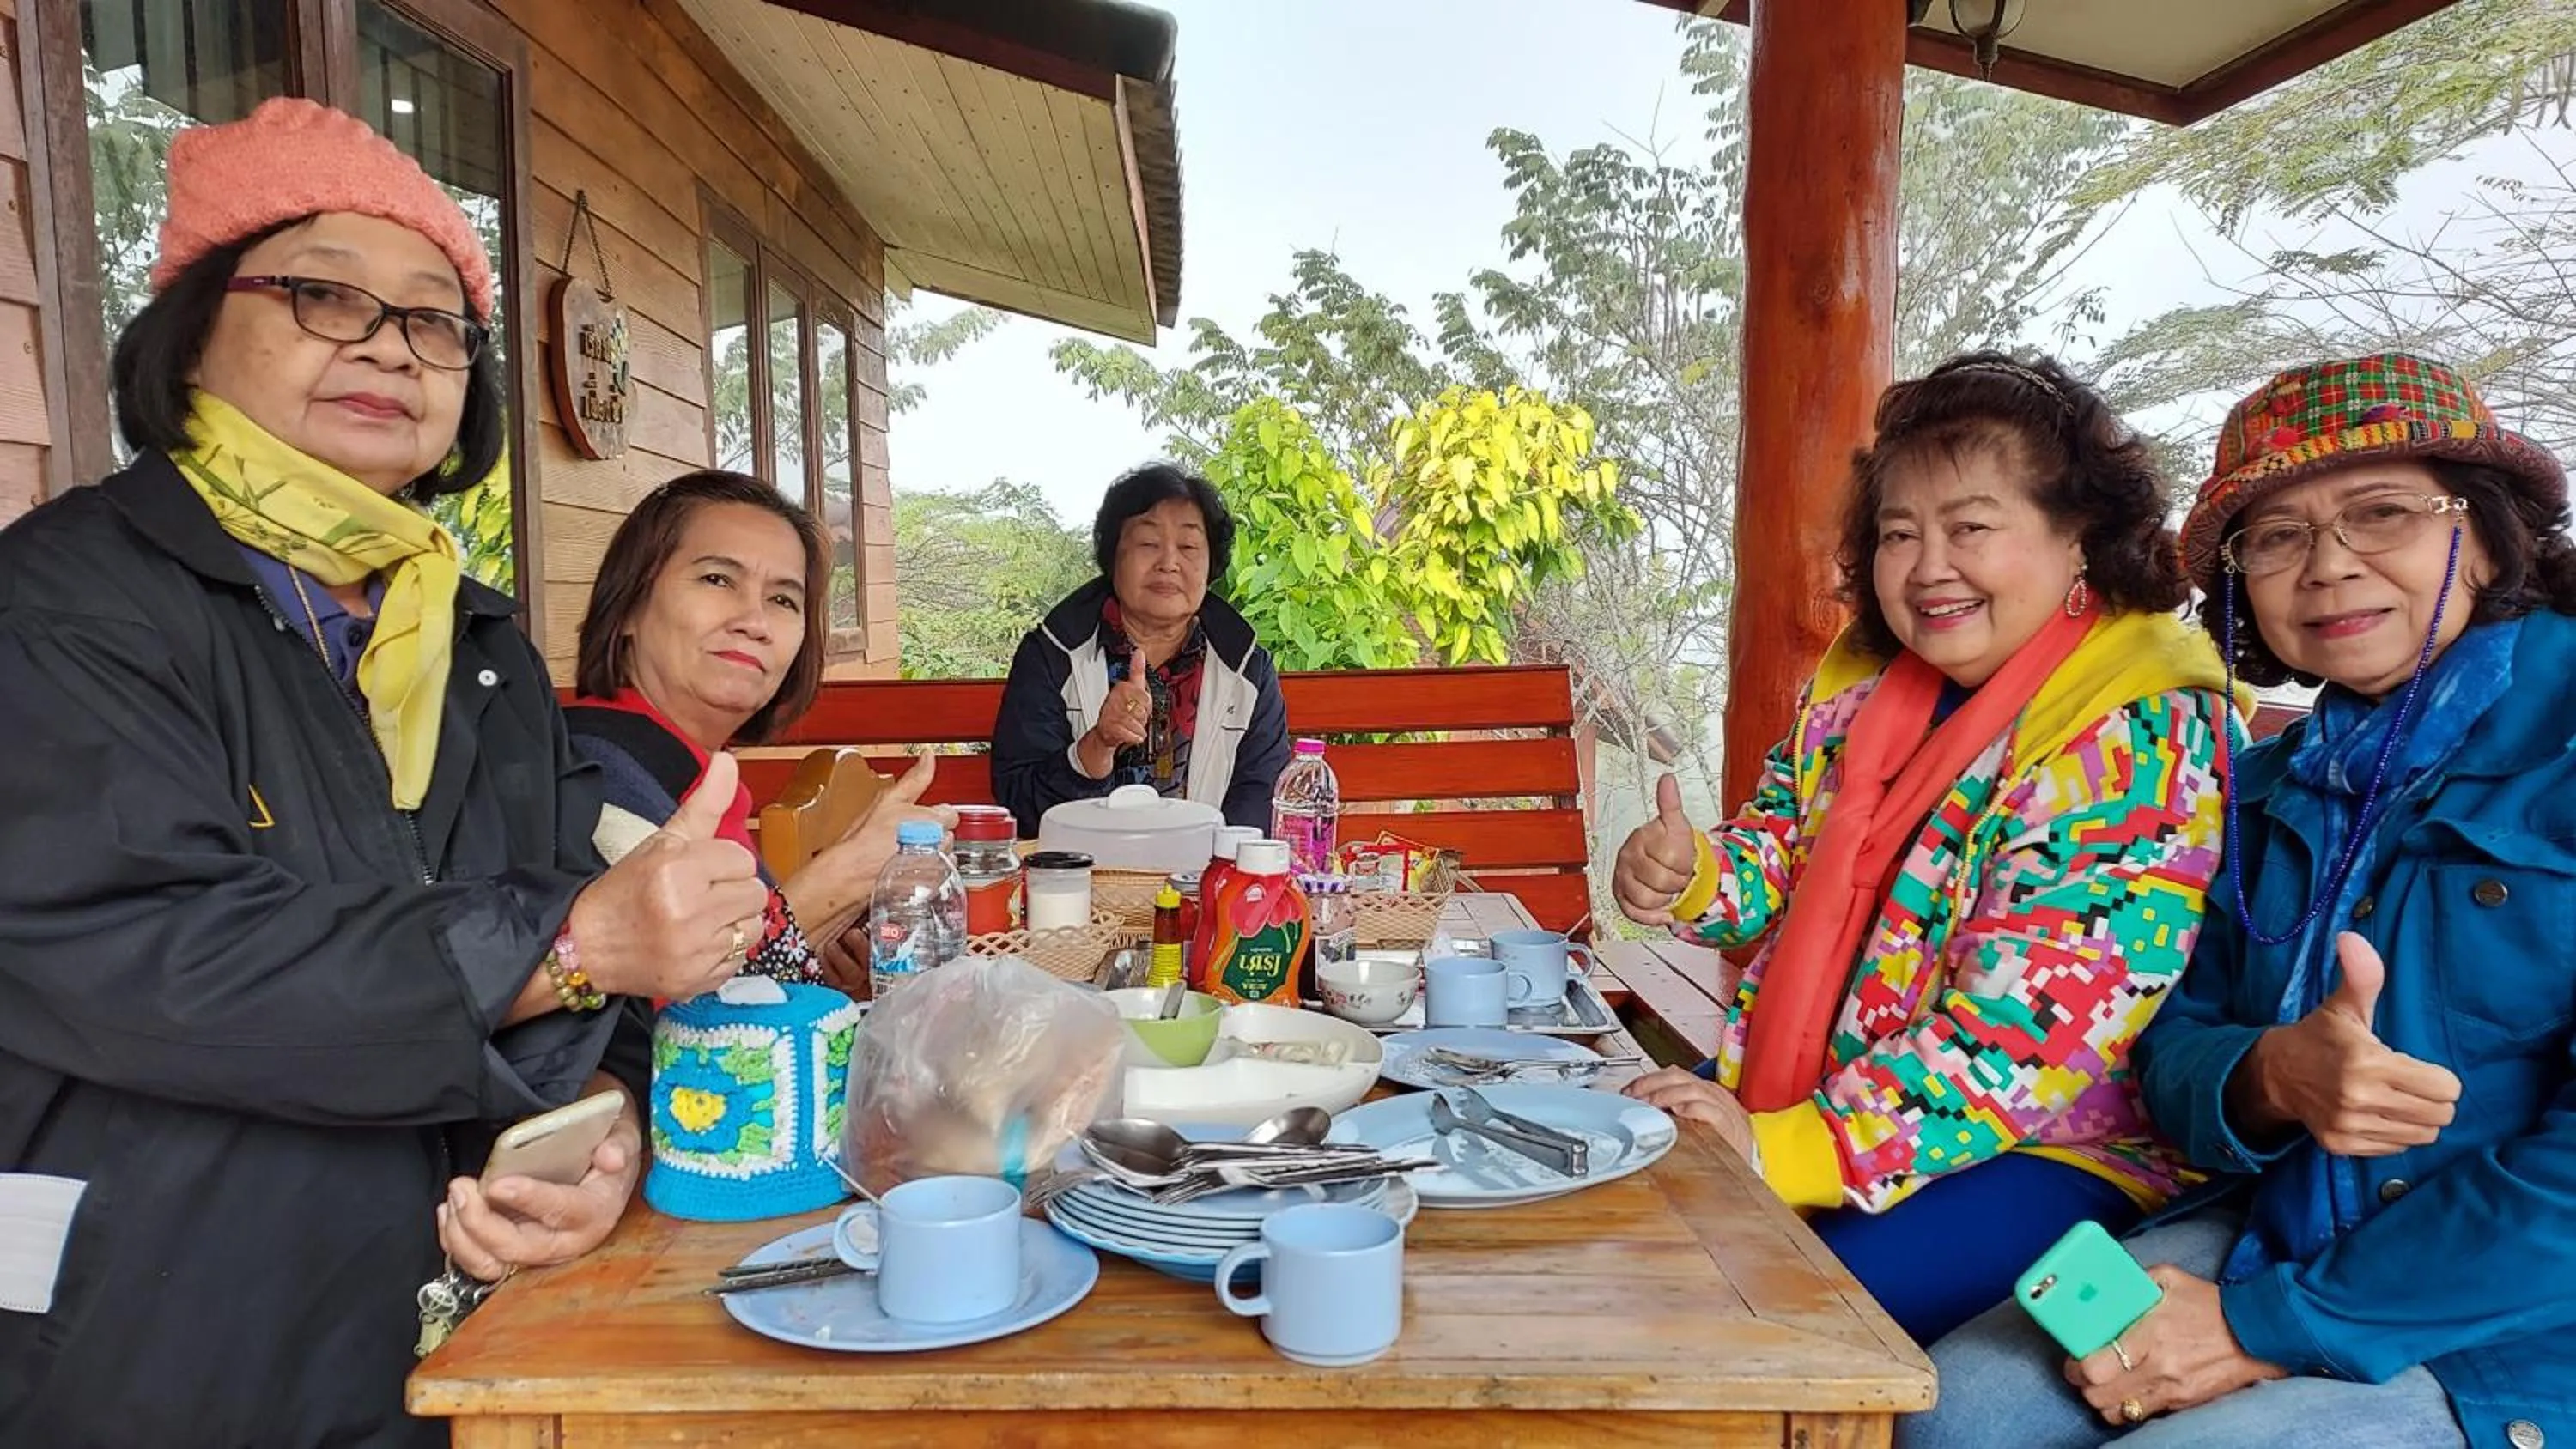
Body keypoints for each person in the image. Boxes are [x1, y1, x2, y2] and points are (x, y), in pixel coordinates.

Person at [0, 100, 767, 1447]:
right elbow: (158, 952)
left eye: (431, 321)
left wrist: (606, 1132)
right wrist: (574, 941)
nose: (389, 348)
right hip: (165, 1341)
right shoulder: (64, 602)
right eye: (322, 295)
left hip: (452, 1326)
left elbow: (587, 973)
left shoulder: (473, 643)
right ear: (191, 329)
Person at [1905, 354, 2576, 1449]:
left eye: (2382, 512)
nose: (2328, 566)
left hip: (2518, 1321)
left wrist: (2261, 1327)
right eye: (2276, 536)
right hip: (2291, 1220)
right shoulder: (2262, 787)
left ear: (2492, 534)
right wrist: (2269, 1074)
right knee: (1955, 1414)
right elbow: (2167, 1043)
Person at [1608, 353, 2233, 1345]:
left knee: (1781, 1317)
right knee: (1644, 1253)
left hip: (2057, 1147)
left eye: (1971, 527)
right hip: (1818, 1112)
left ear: (2081, 536)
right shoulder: (1863, 692)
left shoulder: (2134, 727)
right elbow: (1775, 858)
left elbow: (2025, 1036)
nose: (1929, 565)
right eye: (1900, 533)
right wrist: (1695, 877)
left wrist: (1784, 1148)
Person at [566, 470, 951, 991]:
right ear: (630, 604)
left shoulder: (698, 771)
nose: (755, 620)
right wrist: (843, 879)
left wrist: (824, 961)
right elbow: (680, 1025)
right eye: (717, 579)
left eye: (784, 600)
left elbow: (742, 968)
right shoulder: (590, 776)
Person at [992, 462, 1290, 834]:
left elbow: (1259, 804)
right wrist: (1097, 747)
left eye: (1189, 546)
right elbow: (1020, 803)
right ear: (1112, 557)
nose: (1168, 563)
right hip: (1082, 884)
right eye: (1148, 544)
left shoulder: (1247, 670)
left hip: (1201, 883)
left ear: (1211, 564)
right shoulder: (1052, 655)